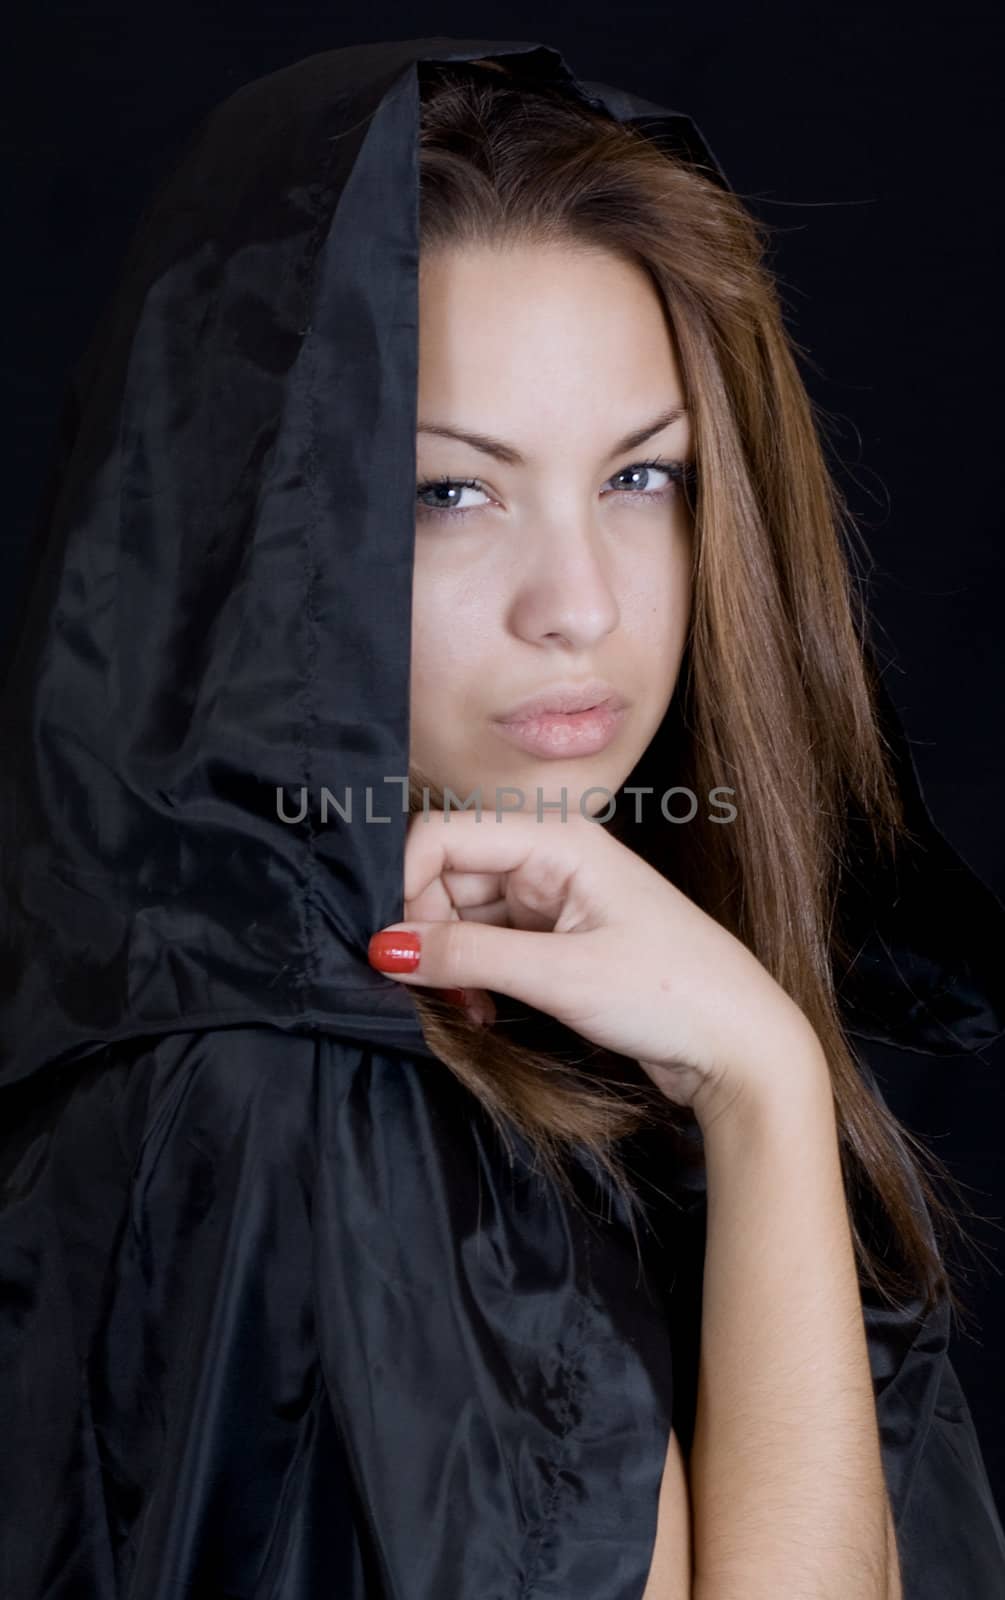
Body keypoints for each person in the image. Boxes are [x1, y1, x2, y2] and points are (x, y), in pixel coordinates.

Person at [1, 34, 1003, 1599]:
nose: (578, 607)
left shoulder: (446, 1017)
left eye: (642, 479)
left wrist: (757, 1075)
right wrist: (763, 1090)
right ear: (269, 533)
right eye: (446, 494)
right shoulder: (323, 1099)